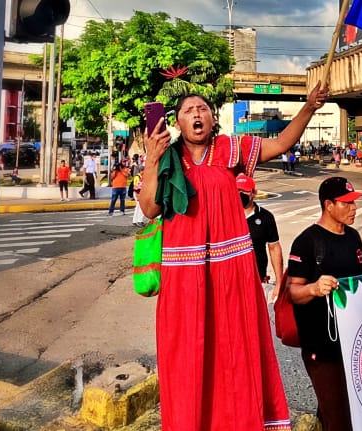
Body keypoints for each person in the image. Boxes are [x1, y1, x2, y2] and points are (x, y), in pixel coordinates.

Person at [138, 81, 329, 431]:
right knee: (187, 356)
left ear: (213, 119)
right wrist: (151, 158)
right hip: (184, 276)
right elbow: (149, 208)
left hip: (232, 273)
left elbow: (283, 142)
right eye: (188, 111)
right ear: (177, 123)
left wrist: (310, 107)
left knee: (235, 353)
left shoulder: (231, 148)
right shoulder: (166, 158)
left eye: (203, 109)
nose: (197, 113)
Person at [286, 176, 362, 431]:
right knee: (341, 418)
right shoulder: (308, 242)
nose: (354, 208)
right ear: (328, 205)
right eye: (347, 203)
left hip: (355, 343)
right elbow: (292, 291)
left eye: (354, 202)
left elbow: (360, 273)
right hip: (321, 347)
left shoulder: (353, 237)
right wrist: (314, 287)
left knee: (345, 407)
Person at [237, 173, 284, 302]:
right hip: (231, 282)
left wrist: (279, 283)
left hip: (257, 281)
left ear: (254, 193)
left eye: (244, 191)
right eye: (237, 190)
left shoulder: (266, 217)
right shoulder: (226, 215)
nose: (240, 194)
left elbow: (274, 248)